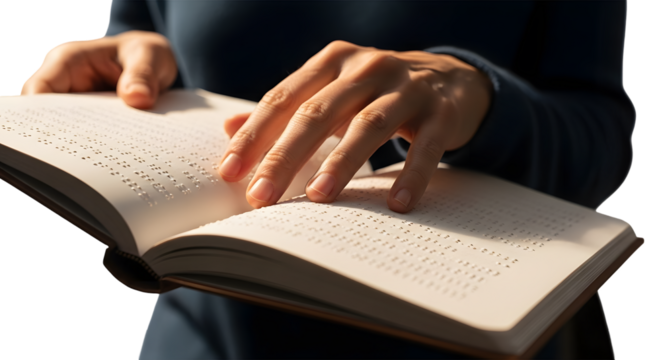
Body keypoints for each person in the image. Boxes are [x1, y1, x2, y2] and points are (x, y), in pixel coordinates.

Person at [21, 1, 635, 358]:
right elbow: (139, 26)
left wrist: (478, 90)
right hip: (204, 333)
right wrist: (123, 57)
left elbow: (600, 134)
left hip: (461, 336)